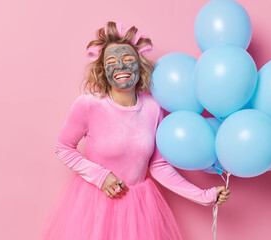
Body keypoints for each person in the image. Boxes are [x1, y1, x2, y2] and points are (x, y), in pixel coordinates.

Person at [41, 21, 230, 240]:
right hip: (95, 205)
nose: (121, 66)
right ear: (103, 70)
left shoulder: (153, 107)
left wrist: (204, 195)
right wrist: (101, 177)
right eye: (111, 61)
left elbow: (158, 165)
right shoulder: (88, 105)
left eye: (128, 60)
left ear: (140, 66)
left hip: (140, 208)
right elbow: (63, 148)